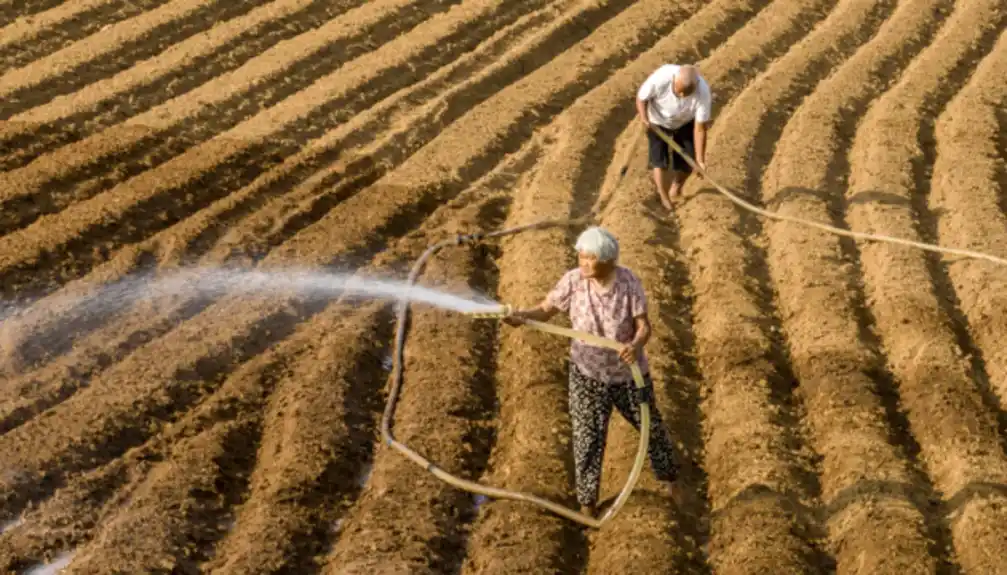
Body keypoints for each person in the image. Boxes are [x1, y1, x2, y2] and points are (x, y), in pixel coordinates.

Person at [503, 226, 682, 517]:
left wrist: (635, 345)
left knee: (653, 429)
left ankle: (672, 484)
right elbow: (546, 309)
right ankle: (587, 506)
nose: (583, 264)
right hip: (586, 374)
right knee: (588, 439)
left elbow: (644, 325)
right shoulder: (573, 281)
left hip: (627, 375)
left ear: (609, 260)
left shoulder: (627, 282)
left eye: (590, 259)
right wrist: (521, 317)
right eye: (581, 257)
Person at [636, 63, 713, 210]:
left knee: (688, 162)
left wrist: (700, 160)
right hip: (657, 121)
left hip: (685, 121)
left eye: (687, 94)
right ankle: (664, 196)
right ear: (673, 81)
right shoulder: (660, 78)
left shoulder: (703, 93)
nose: (682, 97)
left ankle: (676, 188)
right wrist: (644, 118)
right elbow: (641, 98)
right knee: (659, 161)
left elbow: (700, 128)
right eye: (679, 93)